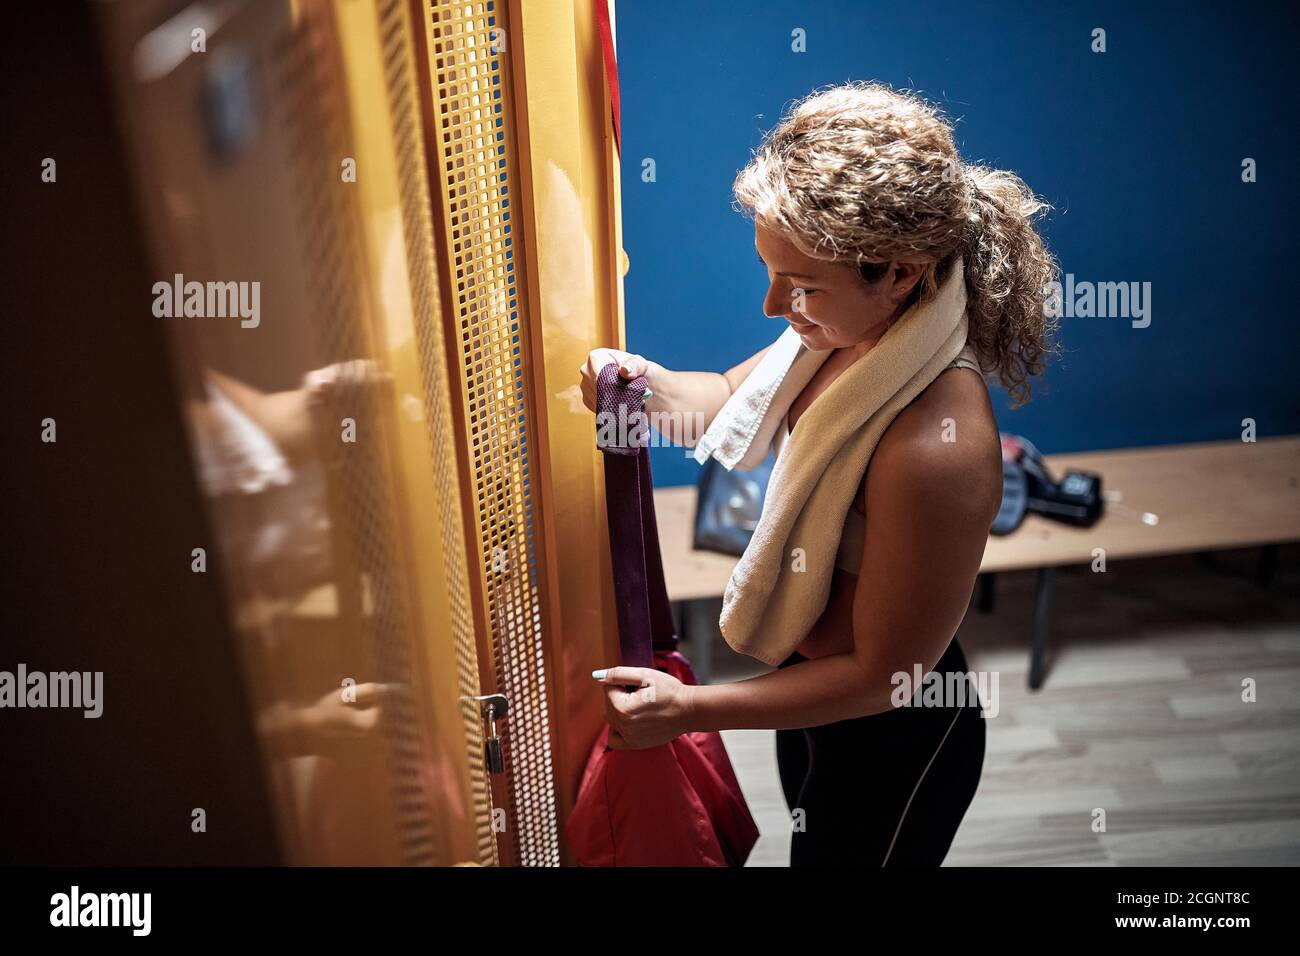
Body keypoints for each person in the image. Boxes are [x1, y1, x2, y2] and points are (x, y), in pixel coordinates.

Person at [578, 81, 1059, 866]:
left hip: (894, 730)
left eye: (798, 285)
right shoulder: (850, 329)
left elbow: (883, 676)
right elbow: (728, 400)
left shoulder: (936, 443)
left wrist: (692, 709)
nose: (773, 307)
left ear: (899, 272)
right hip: (813, 697)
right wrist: (637, 383)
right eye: (772, 273)